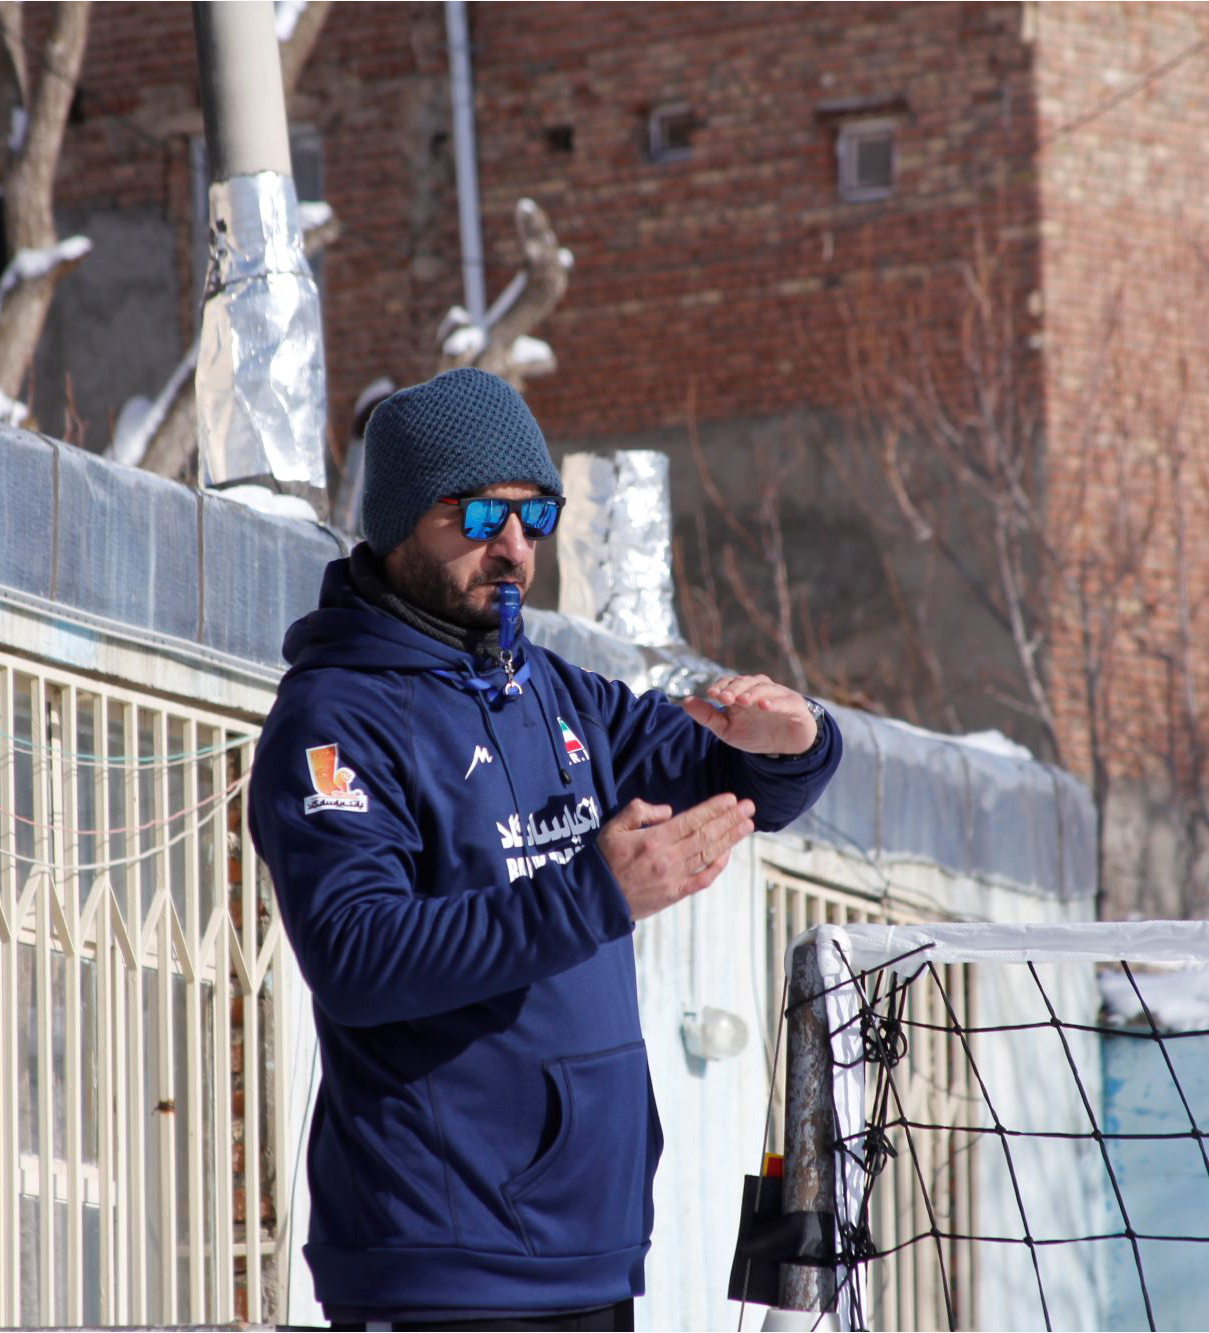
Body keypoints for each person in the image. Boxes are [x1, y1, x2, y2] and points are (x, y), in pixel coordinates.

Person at [248, 367, 842, 1332]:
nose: (515, 546)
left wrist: (794, 743)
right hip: (439, 1263)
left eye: (537, 516)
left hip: (591, 1252)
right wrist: (592, 893)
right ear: (399, 522)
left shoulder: (556, 693)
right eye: (482, 515)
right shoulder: (336, 718)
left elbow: (721, 772)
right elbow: (357, 954)